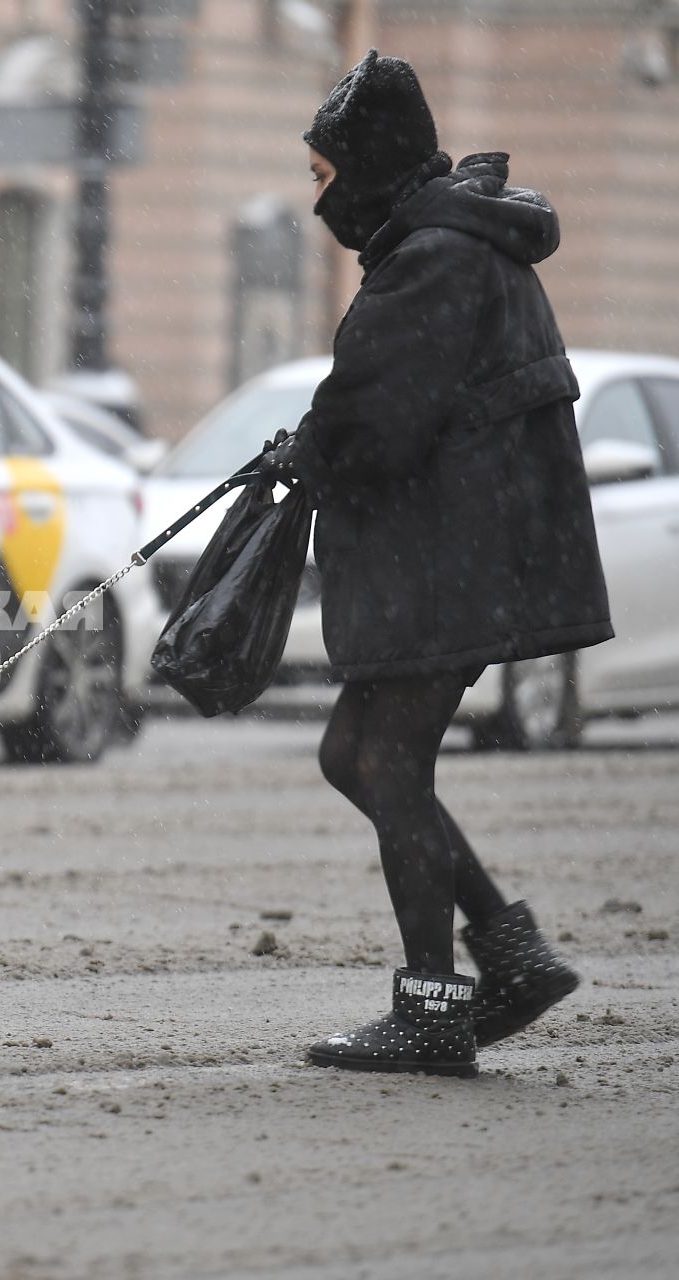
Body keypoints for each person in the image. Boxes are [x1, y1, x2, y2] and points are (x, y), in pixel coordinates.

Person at [263, 52, 612, 1078]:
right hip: (462, 544)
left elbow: (379, 415)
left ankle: (432, 1007)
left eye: (324, 177)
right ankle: (510, 954)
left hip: (450, 552)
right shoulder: (447, 244)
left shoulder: (436, 255)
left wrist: (312, 447)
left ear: (366, 164)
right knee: (353, 753)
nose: (317, 198)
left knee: (384, 761)